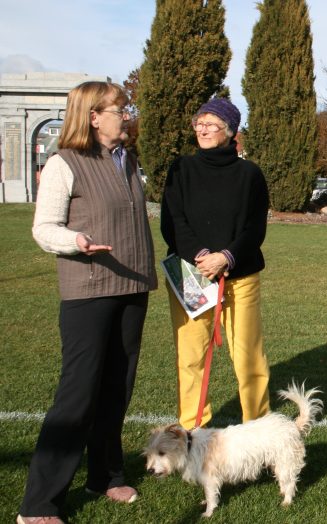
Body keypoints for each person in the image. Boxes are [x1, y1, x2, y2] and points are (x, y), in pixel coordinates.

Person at [20, 81, 157, 524]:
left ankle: (105, 475)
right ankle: (39, 504)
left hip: (133, 290)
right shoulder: (65, 163)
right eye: (119, 108)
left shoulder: (127, 160)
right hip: (88, 292)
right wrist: (75, 240)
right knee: (77, 396)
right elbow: (44, 228)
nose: (126, 114)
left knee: (117, 389)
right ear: (94, 116)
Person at [161, 97, 271, 430]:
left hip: (239, 276)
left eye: (212, 124)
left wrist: (226, 257)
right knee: (191, 357)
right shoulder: (181, 169)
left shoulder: (250, 174)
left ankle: (258, 431)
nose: (203, 130)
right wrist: (201, 257)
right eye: (199, 123)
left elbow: (255, 227)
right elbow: (173, 220)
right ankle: (193, 432)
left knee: (249, 357)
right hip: (191, 275)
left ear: (230, 131)